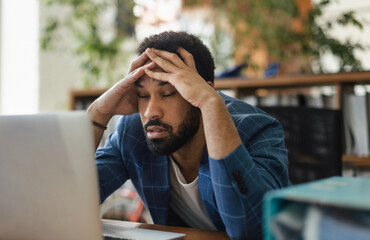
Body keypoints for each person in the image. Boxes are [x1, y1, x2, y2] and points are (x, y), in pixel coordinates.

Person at [87, 31, 289, 240]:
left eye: (167, 94)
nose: (150, 112)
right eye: (142, 96)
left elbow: (250, 231)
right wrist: (99, 113)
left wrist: (211, 105)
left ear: (203, 92)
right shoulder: (133, 132)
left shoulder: (257, 129)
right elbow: (70, 201)